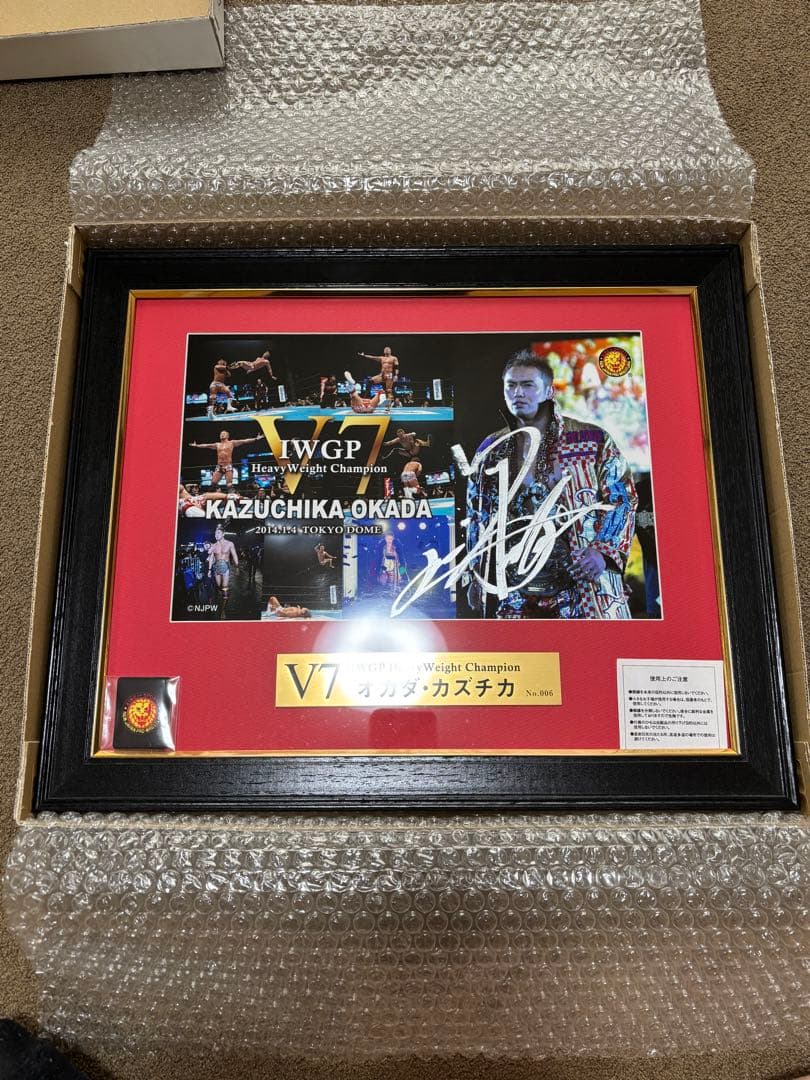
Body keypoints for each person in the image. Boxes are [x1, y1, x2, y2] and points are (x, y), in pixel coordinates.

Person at [466, 350, 637, 619]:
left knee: (593, 646)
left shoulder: (592, 439)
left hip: (584, 587)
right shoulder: (492, 449)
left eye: (527, 385)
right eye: (511, 385)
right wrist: (476, 572)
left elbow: (622, 499)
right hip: (516, 591)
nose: (518, 393)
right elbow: (477, 515)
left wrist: (602, 552)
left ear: (548, 391)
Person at [188, 429, 265, 486]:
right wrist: (197, 445)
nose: (222, 435)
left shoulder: (232, 443)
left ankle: (232, 498)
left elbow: (244, 441)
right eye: (221, 434)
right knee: (213, 483)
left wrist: (256, 439)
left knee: (229, 484)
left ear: (228, 436)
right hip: (219, 466)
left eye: (224, 434)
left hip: (228, 465)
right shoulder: (217, 444)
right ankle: (216, 496)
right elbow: (206, 445)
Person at [208, 525, 238, 618]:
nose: (216, 535)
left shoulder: (230, 544)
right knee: (219, 586)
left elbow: (234, 555)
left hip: (225, 568)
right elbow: (211, 558)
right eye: (215, 533)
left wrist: (237, 567)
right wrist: (209, 570)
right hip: (216, 568)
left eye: (218, 533)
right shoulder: (213, 546)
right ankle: (222, 592)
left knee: (225, 588)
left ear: (223, 534)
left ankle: (223, 610)